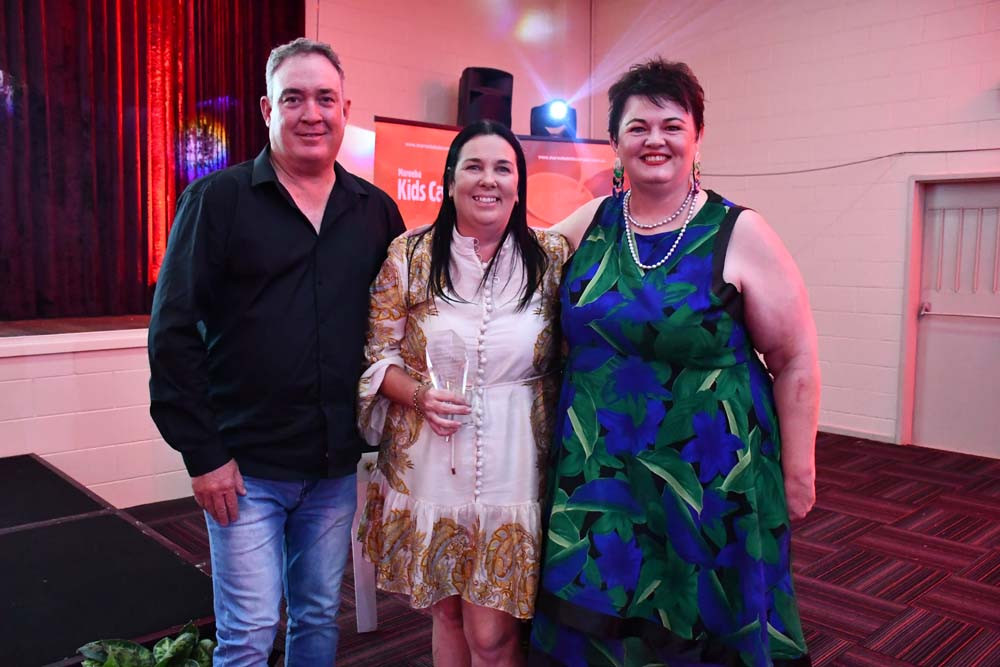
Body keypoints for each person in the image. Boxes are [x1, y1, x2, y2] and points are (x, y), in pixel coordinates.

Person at [529, 58, 819, 666]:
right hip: (600, 472)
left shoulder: (739, 231)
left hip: (707, 477)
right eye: (637, 127)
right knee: (606, 614)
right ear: (616, 142)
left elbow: (794, 358)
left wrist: (799, 470)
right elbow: (510, 272)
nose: (654, 139)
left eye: (671, 124)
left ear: (696, 137)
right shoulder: (594, 223)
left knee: (700, 619)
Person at [148, 38, 405, 666]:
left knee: (318, 618)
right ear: (268, 108)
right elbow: (172, 334)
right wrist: (204, 456)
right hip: (244, 469)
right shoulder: (217, 202)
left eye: (325, 99)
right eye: (294, 98)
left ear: (346, 107)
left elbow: (400, 326)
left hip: (333, 466)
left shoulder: (376, 213)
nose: (311, 114)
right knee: (248, 633)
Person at [356, 120, 570, 667]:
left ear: (519, 184)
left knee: (494, 635)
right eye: (474, 166)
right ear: (450, 179)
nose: (489, 180)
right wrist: (418, 395)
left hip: (515, 459)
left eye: (504, 168)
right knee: (446, 613)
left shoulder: (550, 257)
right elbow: (378, 356)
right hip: (428, 456)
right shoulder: (409, 255)